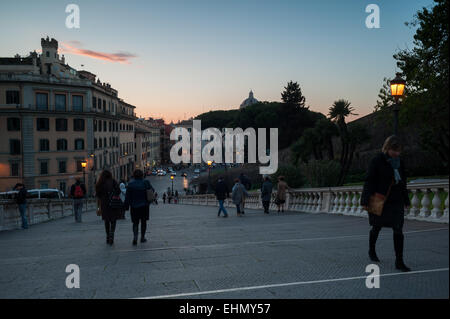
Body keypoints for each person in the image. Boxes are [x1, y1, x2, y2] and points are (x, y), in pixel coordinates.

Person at [361, 135, 411, 272]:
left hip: (396, 200)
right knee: (377, 227)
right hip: (381, 199)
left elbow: (403, 182)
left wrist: (406, 199)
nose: (397, 153)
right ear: (387, 148)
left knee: (398, 230)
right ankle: (372, 250)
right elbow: (369, 180)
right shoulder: (377, 160)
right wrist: (365, 199)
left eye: (398, 150)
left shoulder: (399, 161)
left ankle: (399, 261)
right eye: (394, 150)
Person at [124, 169, 155, 245]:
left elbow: (127, 197)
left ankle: (135, 237)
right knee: (143, 222)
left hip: (134, 206)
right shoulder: (146, 182)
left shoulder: (130, 184)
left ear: (134, 175)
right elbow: (152, 190)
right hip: (144, 206)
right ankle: (142, 237)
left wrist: (126, 206)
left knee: (135, 223)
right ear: (142, 175)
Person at [95, 170, 121, 245]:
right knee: (113, 220)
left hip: (104, 204)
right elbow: (118, 191)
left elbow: (98, 194)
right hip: (113, 202)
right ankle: (112, 234)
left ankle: (107, 236)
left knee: (106, 220)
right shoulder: (113, 181)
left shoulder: (100, 183)